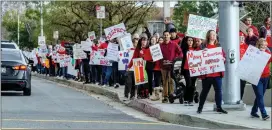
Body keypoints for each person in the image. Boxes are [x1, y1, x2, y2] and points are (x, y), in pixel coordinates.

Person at [197, 30, 227, 114]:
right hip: (207, 74)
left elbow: (223, 56)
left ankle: (219, 107)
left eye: (215, 34)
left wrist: (223, 59)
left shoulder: (218, 46)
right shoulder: (203, 46)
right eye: (212, 34)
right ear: (208, 36)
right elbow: (197, 58)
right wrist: (202, 52)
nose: (214, 36)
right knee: (204, 91)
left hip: (217, 74)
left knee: (218, 91)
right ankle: (200, 107)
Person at [250, 38, 271, 120]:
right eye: (262, 45)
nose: (264, 47)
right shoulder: (253, 53)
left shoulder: (267, 53)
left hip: (266, 77)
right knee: (259, 95)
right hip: (256, 77)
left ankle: (253, 111)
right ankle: (264, 114)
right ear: (258, 45)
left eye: (265, 46)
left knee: (260, 96)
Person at [160, 30, 182, 103]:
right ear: (163, 36)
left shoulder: (174, 44)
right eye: (165, 35)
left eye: (167, 35)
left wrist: (176, 60)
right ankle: (165, 97)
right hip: (163, 66)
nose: (166, 36)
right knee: (164, 81)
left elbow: (180, 53)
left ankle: (171, 95)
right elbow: (157, 56)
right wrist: (162, 60)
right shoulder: (160, 46)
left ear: (169, 36)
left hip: (172, 66)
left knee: (171, 81)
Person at [181, 36, 198, 106]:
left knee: (193, 85)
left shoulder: (196, 49)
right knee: (188, 84)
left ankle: (190, 100)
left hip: (194, 69)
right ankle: (186, 99)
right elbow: (181, 45)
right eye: (189, 40)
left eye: (191, 40)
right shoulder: (184, 49)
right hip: (186, 69)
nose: (190, 41)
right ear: (186, 41)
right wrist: (185, 37)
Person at [239, 31, 249, 100]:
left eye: (243, 37)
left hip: (244, 68)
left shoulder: (247, 46)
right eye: (240, 37)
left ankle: (240, 99)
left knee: (242, 85)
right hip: (235, 67)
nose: (242, 39)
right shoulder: (234, 45)